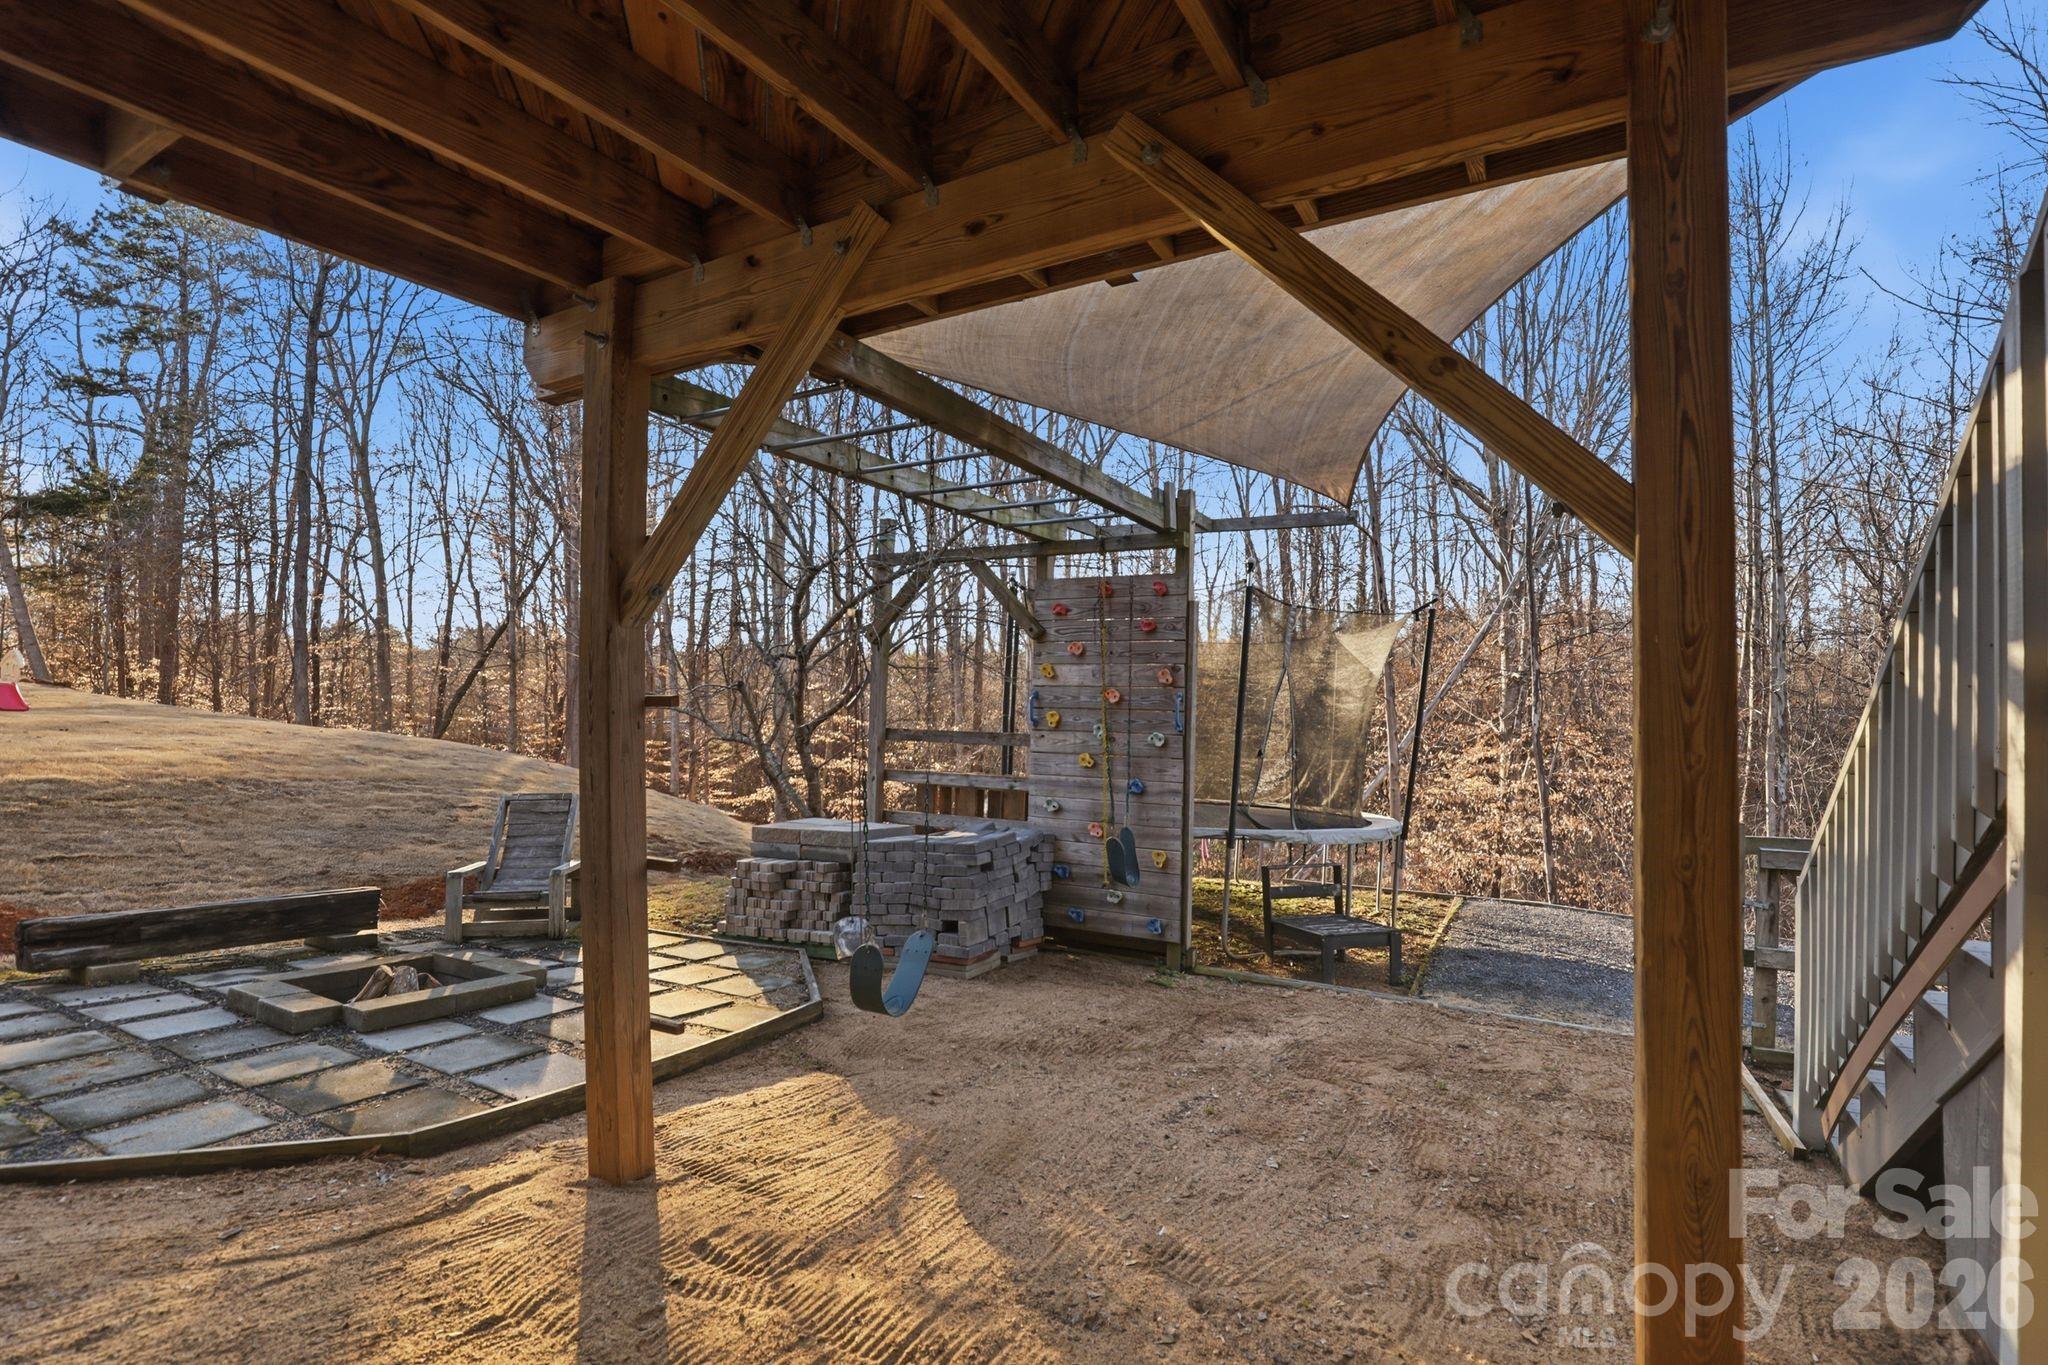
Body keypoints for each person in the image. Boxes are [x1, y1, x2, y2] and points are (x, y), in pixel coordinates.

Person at [0, 645, 27, 712]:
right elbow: (2, 665)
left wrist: (11, 678)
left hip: (11, 680)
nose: (11, 656)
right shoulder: (6, 662)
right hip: (5, 679)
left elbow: (15, 676)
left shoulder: (16, 665)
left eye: (13, 655)